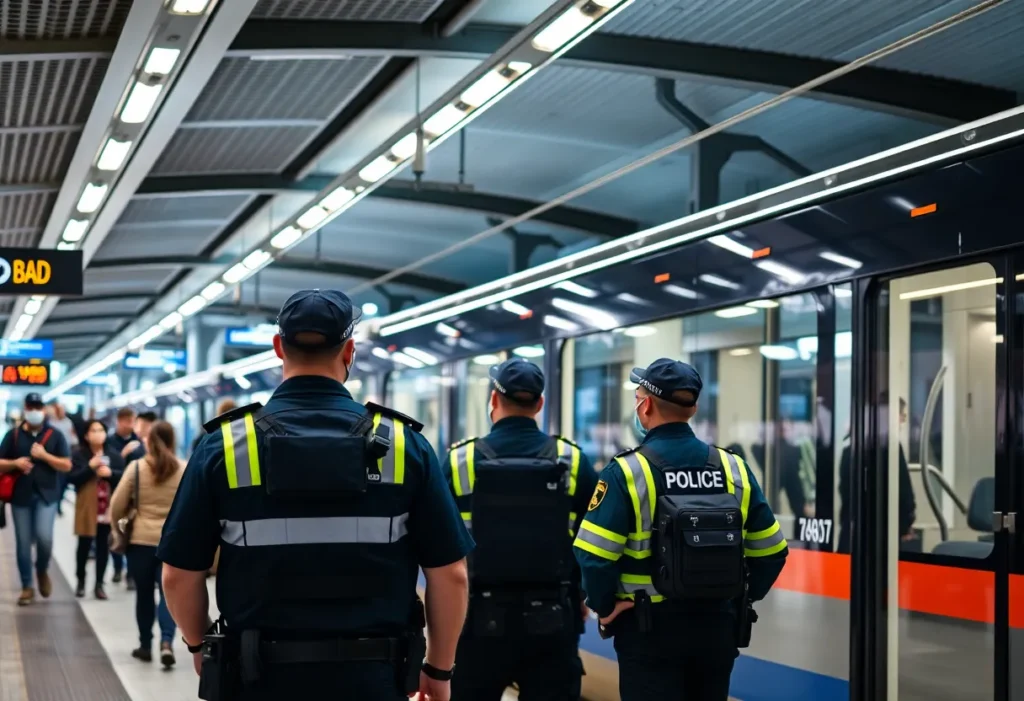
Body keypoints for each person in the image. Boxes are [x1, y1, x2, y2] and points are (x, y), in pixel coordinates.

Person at [158, 289, 473, 701]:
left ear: (278, 348)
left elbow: (178, 576)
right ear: (349, 352)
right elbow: (451, 575)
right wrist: (439, 668)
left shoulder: (224, 447)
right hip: (373, 680)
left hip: (257, 680)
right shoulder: (403, 446)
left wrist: (201, 647)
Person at [573, 358, 789, 701]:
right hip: (717, 631)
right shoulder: (734, 469)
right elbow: (772, 551)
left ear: (645, 405)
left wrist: (605, 607)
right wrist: (737, 600)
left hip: (648, 632)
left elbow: (594, 557)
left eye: (637, 396)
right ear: (693, 407)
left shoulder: (627, 473)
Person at [444, 357, 598, 701]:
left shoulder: (459, 461)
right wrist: (584, 594)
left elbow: (438, 545)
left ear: (493, 401)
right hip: (555, 620)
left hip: (474, 621)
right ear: (540, 403)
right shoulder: (572, 460)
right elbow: (594, 540)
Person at [111, 420, 186, 669]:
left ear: (150, 441)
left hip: (140, 543)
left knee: (144, 596)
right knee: (168, 596)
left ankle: (145, 645)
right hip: (173, 544)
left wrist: (117, 529)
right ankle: (166, 642)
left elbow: (116, 505)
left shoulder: (136, 468)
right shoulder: (184, 469)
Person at [0, 393, 72, 606]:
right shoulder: (13, 436)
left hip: (46, 495)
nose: (34, 411)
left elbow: (67, 465)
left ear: (43, 410)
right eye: (31, 407)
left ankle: (41, 570)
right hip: (20, 496)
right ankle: (26, 586)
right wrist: (15, 464)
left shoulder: (55, 435)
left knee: (44, 538)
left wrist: (44, 456)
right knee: (23, 543)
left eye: (37, 407)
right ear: (25, 409)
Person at [68, 420, 125, 599]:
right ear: (86, 435)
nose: (97, 433)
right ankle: (81, 581)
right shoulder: (79, 455)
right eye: (93, 430)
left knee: (103, 547)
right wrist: (90, 468)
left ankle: (99, 584)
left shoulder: (114, 455)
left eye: (100, 430)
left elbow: (124, 478)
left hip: (107, 508)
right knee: (83, 546)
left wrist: (111, 474)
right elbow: (72, 479)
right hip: (87, 507)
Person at [106, 406, 144, 589]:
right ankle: (117, 567)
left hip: (135, 493)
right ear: (120, 421)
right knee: (115, 530)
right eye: (129, 421)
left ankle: (130, 573)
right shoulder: (110, 442)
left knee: (131, 532)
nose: (132, 425)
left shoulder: (139, 441)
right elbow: (109, 466)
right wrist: (124, 454)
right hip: (114, 490)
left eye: (133, 421)